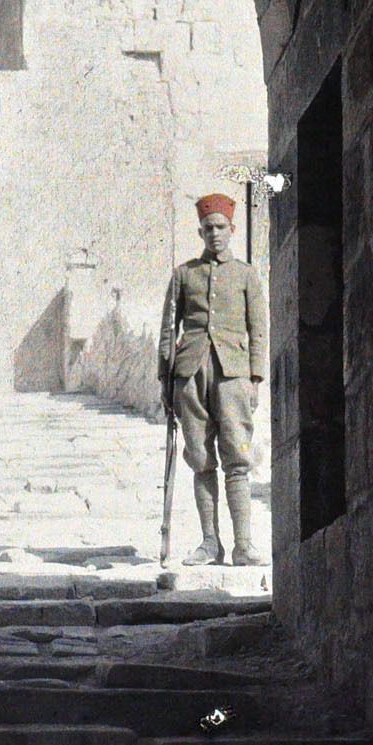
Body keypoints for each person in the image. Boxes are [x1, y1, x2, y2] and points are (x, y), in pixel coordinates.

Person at [159, 192, 267, 567]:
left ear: (232, 229)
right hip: (189, 376)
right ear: (200, 232)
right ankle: (209, 543)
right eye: (208, 229)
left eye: (221, 227)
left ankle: (243, 545)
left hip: (234, 375)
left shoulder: (246, 275)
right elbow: (167, 331)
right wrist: (165, 382)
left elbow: (259, 329)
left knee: (237, 457)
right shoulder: (184, 274)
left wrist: (255, 377)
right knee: (202, 459)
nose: (215, 234)